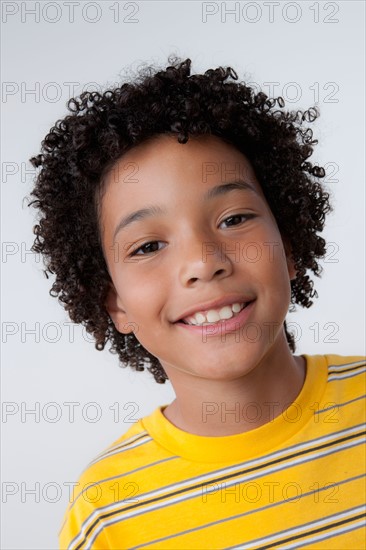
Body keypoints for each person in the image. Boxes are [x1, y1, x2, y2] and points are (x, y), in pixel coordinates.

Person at [28, 57, 365, 549]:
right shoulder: (108, 513)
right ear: (114, 302)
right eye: (148, 246)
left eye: (233, 219)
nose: (203, 263)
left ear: (288, 246)